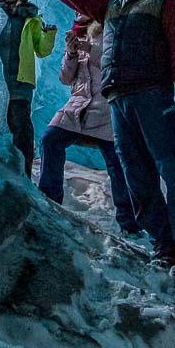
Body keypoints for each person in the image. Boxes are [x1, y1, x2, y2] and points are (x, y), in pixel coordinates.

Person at [7, 0, 175, 278]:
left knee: (172, 170)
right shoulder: (110, 8)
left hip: (152, 96)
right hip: (119, 102)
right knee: (137, 177)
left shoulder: (164, 1)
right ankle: (165, 246)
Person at [37, 14, 141, 235]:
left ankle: (129, 222)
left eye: (81, 9)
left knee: (116, 163)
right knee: (49, 140)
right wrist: (71, 53)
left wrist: (86, 47)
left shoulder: (105, 32)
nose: (77, 12)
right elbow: (65, 78)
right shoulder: (75, 38)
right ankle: (49, 201)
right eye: (75, 11)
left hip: (104, 108)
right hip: (76, 107)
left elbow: (113, 61)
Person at [0, 0, 57, 177]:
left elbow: (42, 50)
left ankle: (24, 174)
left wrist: (49, 33)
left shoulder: (32, 19)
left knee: (20, 126)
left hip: (20, 80)